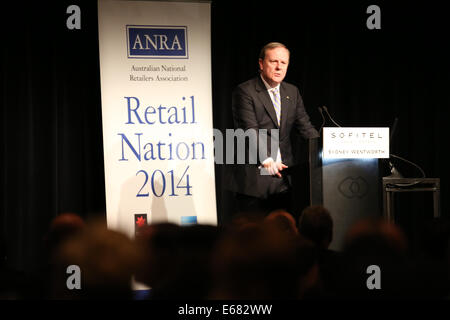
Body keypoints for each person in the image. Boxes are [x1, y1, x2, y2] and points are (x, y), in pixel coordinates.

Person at [227, 42, 319, 217]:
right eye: (273, 61)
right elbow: (249, 130)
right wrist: (266, 158)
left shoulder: (292, 92)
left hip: (284, 180)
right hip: (254, 181)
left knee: (284, 238)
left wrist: (328, 151)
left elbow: (305, 127)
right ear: (261, 64)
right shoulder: (245, 91)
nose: (278, 67)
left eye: (283, 63)